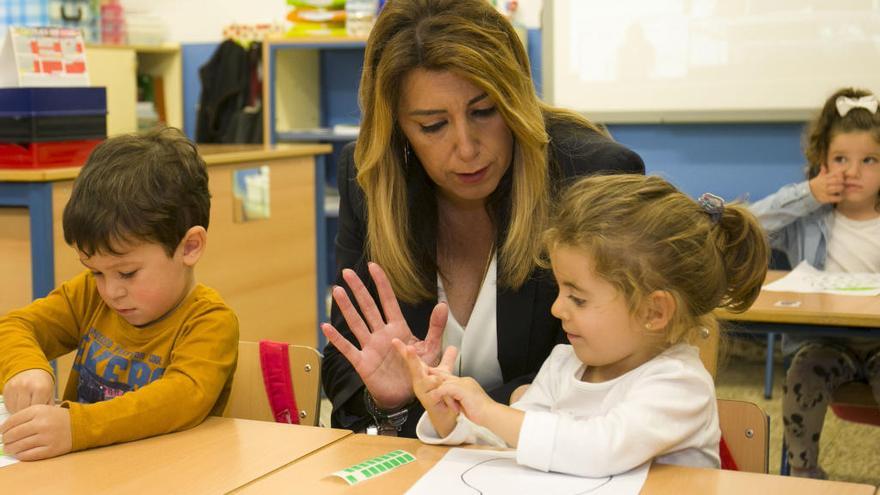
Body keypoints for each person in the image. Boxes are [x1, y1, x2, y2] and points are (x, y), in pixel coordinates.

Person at [320, 0, 645, 437]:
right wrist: (388, 401)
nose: (468, 148)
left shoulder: (590, 176)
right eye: (433, 125)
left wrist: (443, 415)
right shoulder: (372, 176)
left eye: (485, 111)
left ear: (514, 99)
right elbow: (347, 373)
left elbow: (600, 380)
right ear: (398, 128)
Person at [396, 174, 769, 477]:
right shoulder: (563, 363)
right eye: (559, 291)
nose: (557, 309)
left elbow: (600, 449)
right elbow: (514, 442)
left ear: (654, 312)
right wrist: (455, 420)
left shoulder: (679, 385)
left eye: (578, 298)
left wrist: (489, 409)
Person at [0, 127, 239, 461]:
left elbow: (180, 399)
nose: (111, 291)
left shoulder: (209, 322)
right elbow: (14, 327)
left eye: (127, 273)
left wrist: (76, 427)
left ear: (190, 246)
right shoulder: (89, 295)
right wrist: (24, 367)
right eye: (97, 271)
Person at [750, 87, 880, 479]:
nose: (852, 172)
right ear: (821, 162)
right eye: (840, 159)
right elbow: (749, 227)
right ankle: (804, 474)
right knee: (803, 376)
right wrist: (807, 194)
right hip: (825, 343)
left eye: (869, 160)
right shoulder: (809, 220)